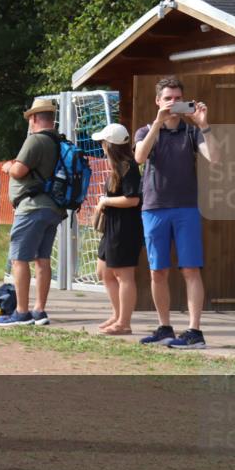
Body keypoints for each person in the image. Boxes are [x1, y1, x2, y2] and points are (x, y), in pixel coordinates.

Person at [134, 76, 218, 349]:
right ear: (158, 101)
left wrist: (203, 125)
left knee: (191, 270)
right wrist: (158, 123)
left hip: (186, 209)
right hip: (154, 208)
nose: (173, 102)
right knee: (157, 272)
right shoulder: (145, 130)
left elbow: (215, 157)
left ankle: (194, 332)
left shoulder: (191, 132)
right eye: (168, 98)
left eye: (177, 98)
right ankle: (164, 327)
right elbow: (139, 157)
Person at [0, 99, 64, 327]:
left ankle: (21, 312)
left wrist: (8, 167)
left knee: (19, 259)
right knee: (42, 259)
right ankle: (39, 310)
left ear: (34, 118)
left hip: (32, 207)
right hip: (53, 207)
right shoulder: (59, 141)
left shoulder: (34, 140)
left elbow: (19, 170)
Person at [90, 123, 143, 336]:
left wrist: (105, 202)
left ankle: (125, 322)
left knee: (124, 275)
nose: (102, 145)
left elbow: (133, 200)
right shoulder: (116, 167)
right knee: (103, 272)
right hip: (112, 227)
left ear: (110, 145)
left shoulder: (128, 167)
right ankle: (117, 314)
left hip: (125, 228)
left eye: (104, 142)